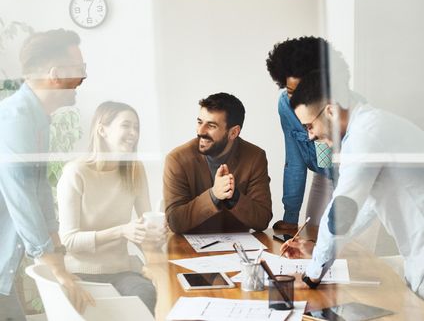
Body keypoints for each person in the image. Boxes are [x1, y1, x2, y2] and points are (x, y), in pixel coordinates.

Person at [281, 69, 424, 298]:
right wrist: (318, 251)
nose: (310, 136)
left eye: (309, 126)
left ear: (330, 111)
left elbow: (342, 210)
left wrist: (312, 275)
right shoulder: (372, 126)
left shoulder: (365, 135)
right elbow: (363, 207)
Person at [0, 29, 94, 320]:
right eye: (80, 70)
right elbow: (22, 198)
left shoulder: (39, 120)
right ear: (55, 75)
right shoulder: (14, 120)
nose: (83, 79)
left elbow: (40, 192)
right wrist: (55, 268)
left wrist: (59, 259)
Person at [57, 101, 164, 315]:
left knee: (152, 294)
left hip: (121, 271)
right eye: (126, 125)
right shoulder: (75, 172)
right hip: (81, 274)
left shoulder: (134, 169)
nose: (133, 132)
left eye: (136, 127)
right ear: (102, 129)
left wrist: (156, 236)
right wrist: (122, 231)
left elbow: (146, 226)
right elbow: (68, 240)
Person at [266, 37, 351, 229]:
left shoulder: (344, 107)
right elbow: (294, 162)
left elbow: (353, 179)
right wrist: (290, 217)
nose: (295, 101)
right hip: (322, 176)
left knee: (347, 248)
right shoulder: (285, 106)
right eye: (289, 92)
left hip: (351, 181)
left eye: (302, 93)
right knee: (311, 235)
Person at [163, 92, 272, 234]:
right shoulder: (177, 159)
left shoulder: (255, 157)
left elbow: (262, 219)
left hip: (238, 250)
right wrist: (214, 195)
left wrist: (234, 197)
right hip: (187, 249)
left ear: (233, 132)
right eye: (200, 122)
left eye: (211, 125)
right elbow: (175, 221)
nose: (200, 131)